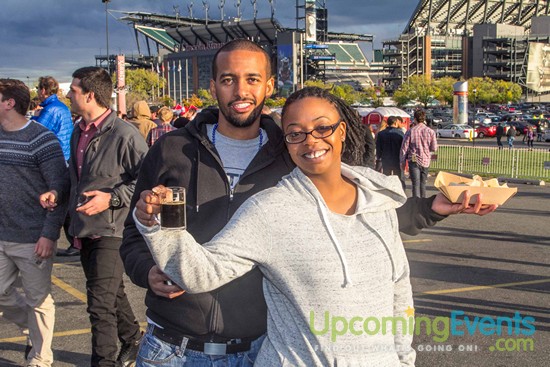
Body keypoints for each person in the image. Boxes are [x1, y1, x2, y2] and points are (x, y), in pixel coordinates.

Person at [121, 39, 496, 367]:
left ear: (269, 85)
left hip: (256, 343)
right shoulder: (172, 150)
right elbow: (136, 233)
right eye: (228, 79)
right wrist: (147, 270)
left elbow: (357, 214)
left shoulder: (289, 152)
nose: (240, 90)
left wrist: (431, 209)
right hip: (175, 344)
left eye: (252, 79)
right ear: (213, 85)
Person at [65, 67, 147, 367]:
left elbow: (149, 180)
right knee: (112, 294)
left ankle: (105, 362)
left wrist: (111, 197)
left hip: (114, 229)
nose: (68, 94)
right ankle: (133, 339)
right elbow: (74, 178)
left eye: (73, 90)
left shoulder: (124, 134)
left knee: (99, 305)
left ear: (89, 95)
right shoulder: (78, 131)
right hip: (83, 228)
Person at [0, 78, 69, 367]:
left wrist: (49, 235)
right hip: (1, 234)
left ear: (8, 103)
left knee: (39, 300)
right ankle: (31, 327)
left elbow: (60, 189)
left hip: (32, 237)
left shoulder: (42, 139)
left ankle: (41, 357)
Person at [400, 109, 438, 198]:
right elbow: (434, 148)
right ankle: (423, 204)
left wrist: (402, 161)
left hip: (414, 160)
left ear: (415, 118)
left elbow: (404, 148)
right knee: (423, 183)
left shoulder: (411, 131)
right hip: (426, 160)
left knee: (415, 184)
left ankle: (416, 204)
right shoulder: (430, 131)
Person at [376, 115, 405, 190]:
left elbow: (378, 147)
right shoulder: (400, 134)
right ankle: (400, 190)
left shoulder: (381, 134)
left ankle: (387, 191)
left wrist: (378, 157)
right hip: (397, 158)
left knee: (386, 177)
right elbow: (403, 147)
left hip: (385, 158)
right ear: (395, 123)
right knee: (398, 177)